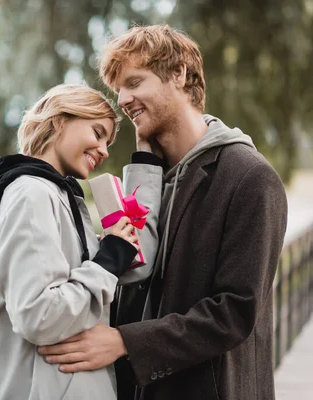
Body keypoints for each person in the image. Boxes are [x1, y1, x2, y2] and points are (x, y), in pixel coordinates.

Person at [37, 25, 288, 400]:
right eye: (119, 89)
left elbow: (235, 312)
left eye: (134, 83)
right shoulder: (147, 180)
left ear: (180, 75)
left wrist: (124, 342)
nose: (123, 99)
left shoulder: (250, 177)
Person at [0, 83, 162, 399]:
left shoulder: (60, 197)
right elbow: (39, 315)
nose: (104, 150)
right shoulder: (31, 194)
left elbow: (116, 278)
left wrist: (112, 251)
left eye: (108, 141)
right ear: (59, 121)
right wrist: (107, 260)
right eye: (97, 133)